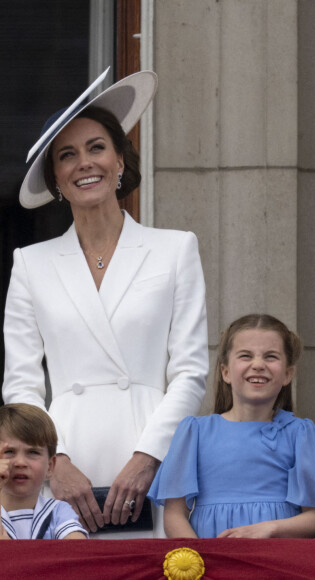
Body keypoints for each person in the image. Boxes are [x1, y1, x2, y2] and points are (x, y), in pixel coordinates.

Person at [2, 70, 209, 537]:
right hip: (63, 458)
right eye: (67, 155)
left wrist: (147, 456)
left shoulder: (175, 249)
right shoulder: (31, 263)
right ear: (55, 177)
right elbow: (21, 384)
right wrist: (55, 464)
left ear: (119, 160)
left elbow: (191, 371)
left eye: (96, 147)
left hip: (153, 457)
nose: (84, 163)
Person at [148, 314, 315, 539]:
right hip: (212, 562)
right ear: (225, 372)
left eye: (271, 356)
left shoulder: (300, 433)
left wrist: (270, 528)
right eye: (246, 356)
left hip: (276, 560)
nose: (258, 365)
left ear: (288, 374)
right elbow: (175, 515)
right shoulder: (194, 432)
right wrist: (201, 560)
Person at [0, 403, 87, 540]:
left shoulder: (58, 512)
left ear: (50, 467)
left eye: (32, 452)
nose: (21, 463)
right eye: (9, 451)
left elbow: (78, 550)